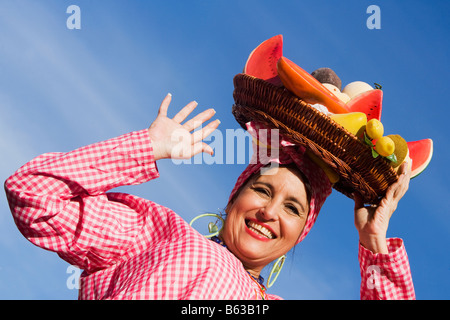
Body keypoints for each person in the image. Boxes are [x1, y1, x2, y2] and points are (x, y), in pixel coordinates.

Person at [5, 93, 415, 300]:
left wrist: (376, 247)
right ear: (235, 197)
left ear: (300, 233)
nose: (269, 211)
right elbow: (34, 194)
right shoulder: (155, 234)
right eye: (262, 189)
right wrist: (145, 148)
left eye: (292, 208)